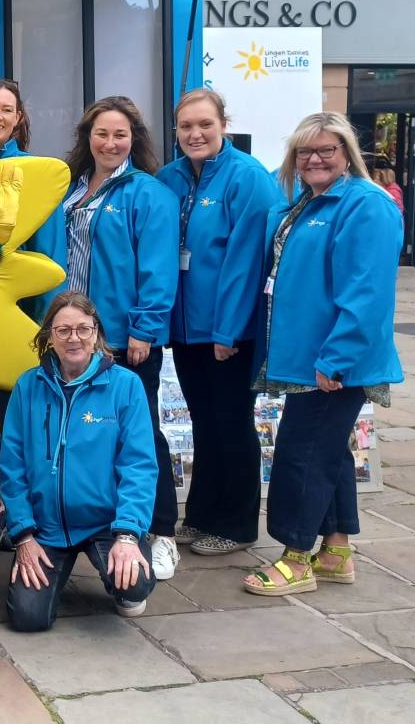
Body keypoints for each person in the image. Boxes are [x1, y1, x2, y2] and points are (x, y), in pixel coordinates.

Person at [244, 112, 403, 596]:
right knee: (328, 450)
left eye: (326, 150)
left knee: (302, 454)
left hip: (334, 361)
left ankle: (295, 558)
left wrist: (336, 358)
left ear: (347, 154)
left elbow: (366, 291)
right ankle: (335, 550)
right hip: (310, 355)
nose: (314, 159)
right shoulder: (309, 201)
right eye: (304, 151)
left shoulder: (365, 205)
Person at [57, 97, 180, 579]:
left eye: (121, 135)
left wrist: (145, 328)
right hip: (71, 335)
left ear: (135, 140)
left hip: (123, 340)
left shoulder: (148, 193)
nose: (111, 143)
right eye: (102, 134)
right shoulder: (70, 188)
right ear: (87, 137)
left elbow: (157, 266)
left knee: (142, 433)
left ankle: (163, 531)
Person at [157, 89, 279, 556]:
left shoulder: (247, 178)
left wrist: (228, 332)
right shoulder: (169, 178)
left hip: (229, 333)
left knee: (232, 424)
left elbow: (246, 262)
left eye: (204, 124)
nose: (195, 134)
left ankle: (237, 524)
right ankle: (203, 513)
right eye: (186, 126)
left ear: (223, 124)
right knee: (204, 422)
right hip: (187, 331)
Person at [0, 292, 157, 630]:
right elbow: (12, 468)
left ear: (97, 332)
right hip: (46, 528)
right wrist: (23, 536)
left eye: (83, 329)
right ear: (49, 337)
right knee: (27, 619)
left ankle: (124, 578)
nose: (74, 338)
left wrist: (128, 536)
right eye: (63, 330)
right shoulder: (28, 386)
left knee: (135, 581)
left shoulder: (126, 386)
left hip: (106, 523)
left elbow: (139, 466)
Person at [0, 76, 66, 552]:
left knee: (10, 409)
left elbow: (50, 248)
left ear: (18, 119)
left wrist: (45, 318)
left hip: (13, 308)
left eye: (8, 109)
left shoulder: (32, 170)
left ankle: (1, 502)